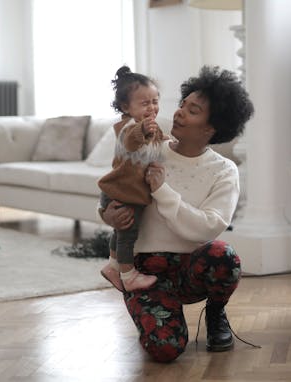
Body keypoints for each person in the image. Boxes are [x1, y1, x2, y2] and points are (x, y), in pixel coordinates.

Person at [99, 66, 254, 362]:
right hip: (143, 271)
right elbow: (117, 188)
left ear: (211, 128)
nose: (179, 113)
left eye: (192, 110)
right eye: (183, 104)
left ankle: (216, 313)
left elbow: (208, 228)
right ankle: (160, 313)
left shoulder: (224, 171)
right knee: (165, 349)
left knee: (225, 256)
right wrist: (109, 216)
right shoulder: (149, 147)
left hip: (190, 269)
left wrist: (162, 190)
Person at [98, 65, 168, 292]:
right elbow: (132, 141)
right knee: (128, 235)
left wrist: (164, 139)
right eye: (145, 103)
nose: (152, 107)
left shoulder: (150, 127)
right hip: (122, 191)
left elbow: (154, 144)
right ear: (125, 107)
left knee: (120, 232)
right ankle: (129, 276)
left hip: (123, 189)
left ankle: (112, 266)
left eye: (155, 101)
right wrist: (143, 130)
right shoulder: (128, 127)